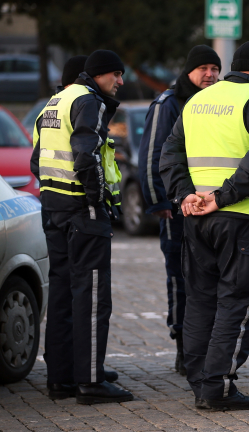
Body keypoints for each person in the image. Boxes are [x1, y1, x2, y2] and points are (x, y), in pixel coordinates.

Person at [160, 40, 249, 411]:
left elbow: (170, 153)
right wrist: (224, 196)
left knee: (199, 300)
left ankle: (201, 382)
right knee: (238, 302)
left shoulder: (197, 101)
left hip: (197, 219)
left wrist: (184, 195)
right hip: (243, 218)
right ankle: (218, 388)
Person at [30, 49, 133, 405]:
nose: (120, 82)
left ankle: (61, 378)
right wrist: (94, 199)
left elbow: (35, 161)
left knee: (61, 293)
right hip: (81, 211)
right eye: (116, 75)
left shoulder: (53, 103)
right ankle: (90, 381)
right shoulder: (89, 101)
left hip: (54, 207)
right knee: (90, 297)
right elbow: (85, 155)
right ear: (100, 74)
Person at [138, 45, 221, 376]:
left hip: (209, 209)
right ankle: (183, 347)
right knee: (180, 277)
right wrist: (159, 202)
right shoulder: (169, 104)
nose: (209, 74)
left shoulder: (217, 105)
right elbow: (152, 156)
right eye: (202, 68)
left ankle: (204, 349)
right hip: (176, 210)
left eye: (214, 68)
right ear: (188, 71)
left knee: (207, 278)